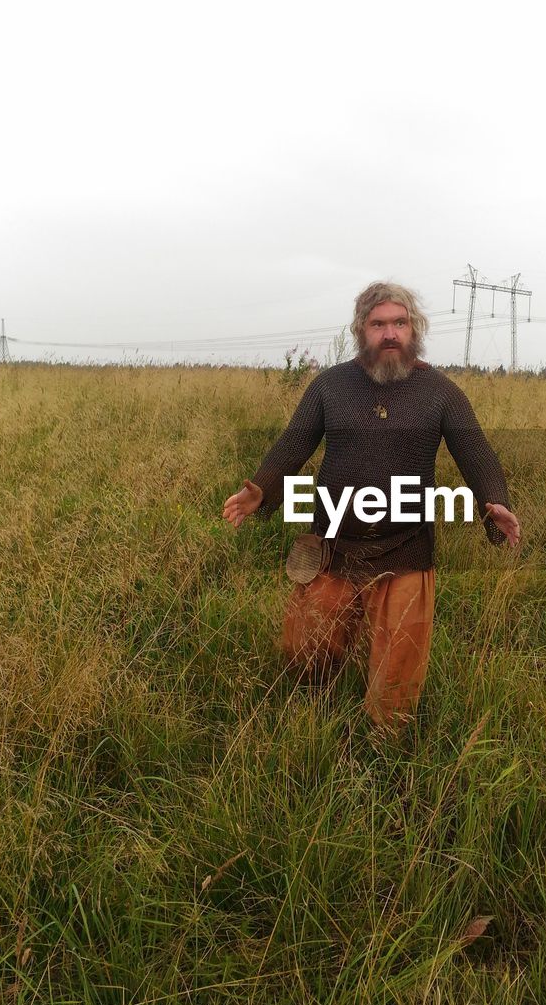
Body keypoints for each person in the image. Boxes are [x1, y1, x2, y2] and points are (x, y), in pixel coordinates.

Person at [222, 281, 520, 734]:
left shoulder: (441, 392)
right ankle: (311, 726)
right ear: (362, 330)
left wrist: (493, 504)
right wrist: (261, 490)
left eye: (399, 323)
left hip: (406, 550)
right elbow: (293, 446)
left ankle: (385, 755)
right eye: (378, 323)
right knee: (307, 652)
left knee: (397, 676)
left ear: (413, 328)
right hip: (333, 546)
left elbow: (476, 453)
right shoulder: (330, 386)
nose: (389, 333)